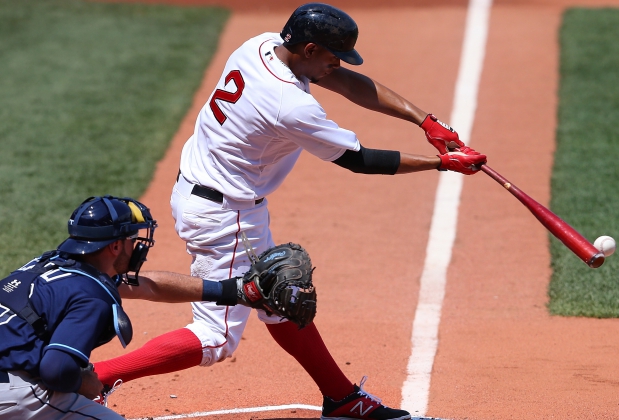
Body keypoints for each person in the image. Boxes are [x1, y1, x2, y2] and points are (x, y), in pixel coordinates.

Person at [92, 3, 487, 420]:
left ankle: (342, 398)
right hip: (226, 216)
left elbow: (344, 81)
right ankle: (92, 376)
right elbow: (359, 160)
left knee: (281, 298)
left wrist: (424, 121)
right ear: (310, 48)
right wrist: (441, 164)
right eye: (333, 56)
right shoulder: (288, 104)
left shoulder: (261, 45)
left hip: (212, 191)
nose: (337, 64)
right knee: (215, 337)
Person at [0, 195, 297, 419]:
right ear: (115, 246)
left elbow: (150, 286)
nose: (138, 246)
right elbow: (57, 370)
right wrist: (85, 382)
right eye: (132, 239)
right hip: (12, 393)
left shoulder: (51, 265)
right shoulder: (92, 296)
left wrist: (232, 291)